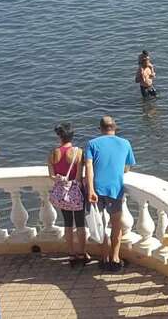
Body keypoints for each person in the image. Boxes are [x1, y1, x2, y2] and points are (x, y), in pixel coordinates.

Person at [85, 116, 136, 272]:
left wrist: (91, 189)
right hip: (115, 188)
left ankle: (104, 257)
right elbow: (127, 167)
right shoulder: (125, 143)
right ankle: (115, 258)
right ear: (115, 127)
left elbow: (89, 167)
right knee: (116, 224)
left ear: (100, 129)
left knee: (99, 223)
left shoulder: (92, 144)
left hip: (96, 189)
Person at [47, 123, 87, 266]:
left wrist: (60, 178)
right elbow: (78, 177)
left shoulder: (53, 153)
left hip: (62, 193)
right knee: (81, 224)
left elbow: (51, 176)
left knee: (68, 223)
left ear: (59, 136)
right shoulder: (78, 152)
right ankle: (82, 253)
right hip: (76, 191)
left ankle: (71, 254)